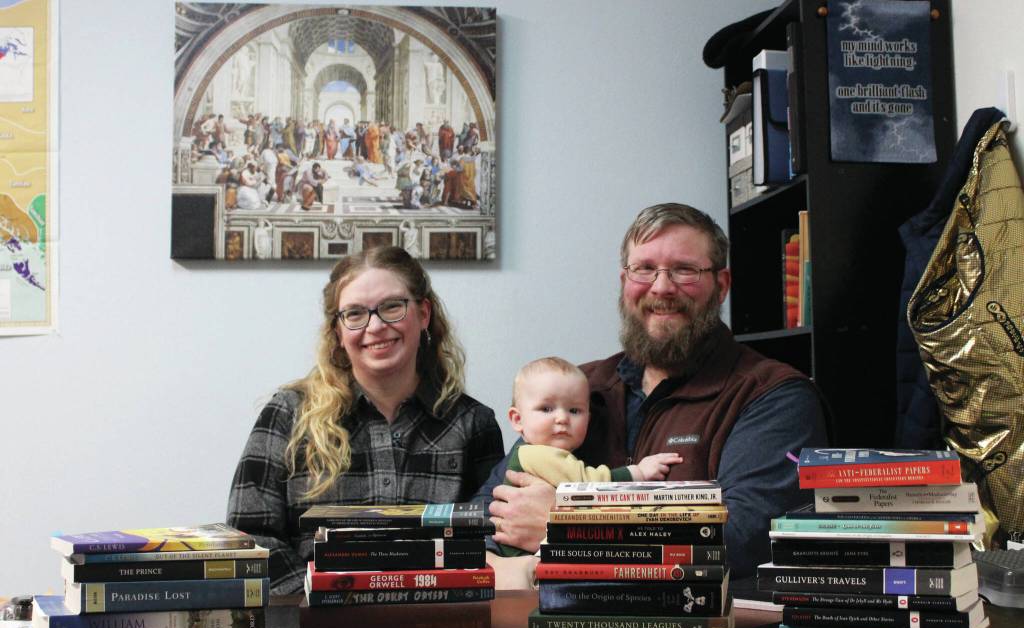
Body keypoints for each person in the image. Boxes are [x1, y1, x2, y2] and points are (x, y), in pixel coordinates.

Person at [478, 203, 827, 583]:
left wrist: (565, 525)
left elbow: (747, 539)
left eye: (684, 269)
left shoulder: (772, 396)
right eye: (644, 269)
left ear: (722, 285)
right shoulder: (580, 389)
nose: (661, 287)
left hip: (701, 620)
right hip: (555, 614)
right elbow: (487, 512)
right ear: (624, 282)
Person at [227, 247, 505, 594]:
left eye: (392, 307)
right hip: (315, 621)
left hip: (440, 617)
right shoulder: (288, 414)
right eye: (355, 313)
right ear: (338, 331)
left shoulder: (473, 423)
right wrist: (322, 601)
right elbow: (249, 539)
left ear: (423, 313)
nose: (375, 326)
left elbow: (492, 539)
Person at [493, 357, 681, 556]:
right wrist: (637, 473)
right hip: (522, 558)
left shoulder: (538, 451)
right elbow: (585, 484)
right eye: (546, 409)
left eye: (574, 410)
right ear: (517, 419)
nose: (562, 418)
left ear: (588, 419)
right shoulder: (536, 453)